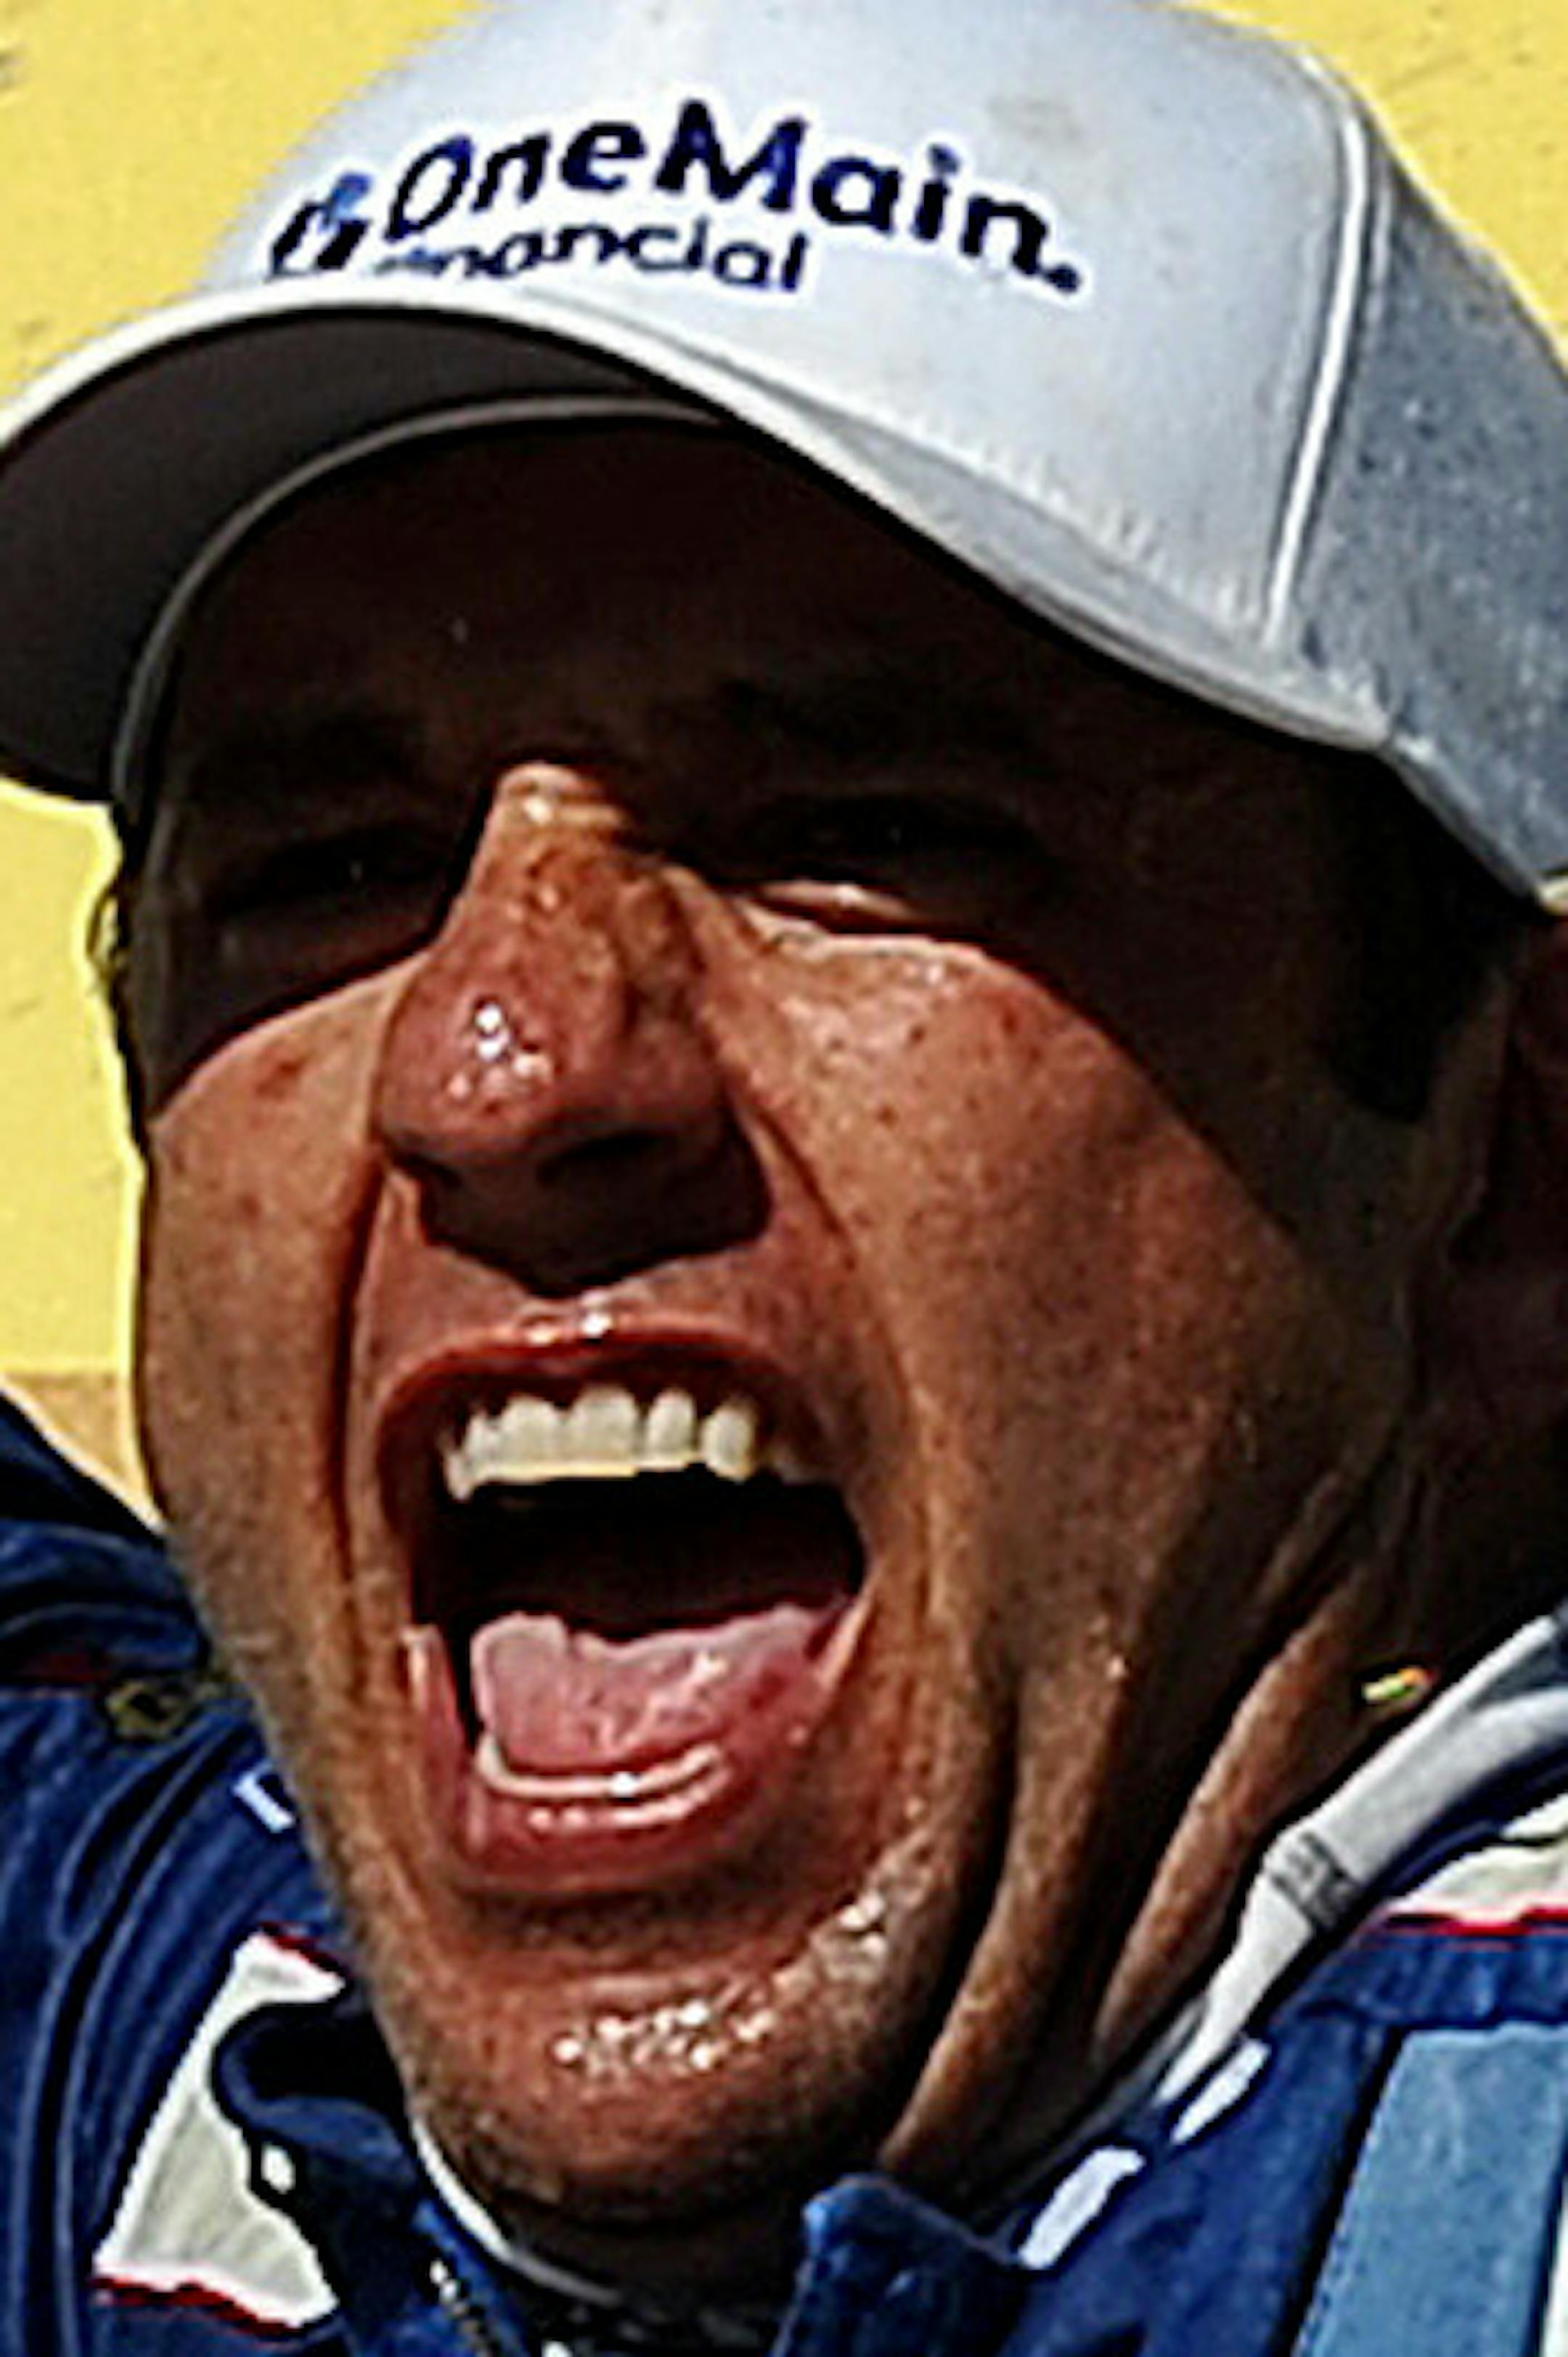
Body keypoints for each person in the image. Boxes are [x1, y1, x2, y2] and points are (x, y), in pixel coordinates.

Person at [4, 0, 1568, 2350]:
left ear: (1509, 1179)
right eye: (328, 865)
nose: (499, 1060)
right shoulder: (170, 2016)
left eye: (869, 836)